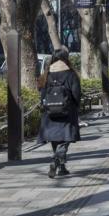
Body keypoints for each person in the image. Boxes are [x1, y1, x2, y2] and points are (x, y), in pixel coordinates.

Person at [38, 49, 81, 179]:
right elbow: (76, 93)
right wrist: (76, 106)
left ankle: (62, 168)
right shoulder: (70, 73)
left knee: (56, 140)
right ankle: (56, 161)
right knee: (65, 140)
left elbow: (42, 95)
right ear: (66, 58)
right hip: (67, 112)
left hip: (50, 112)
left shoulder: (47, 74)